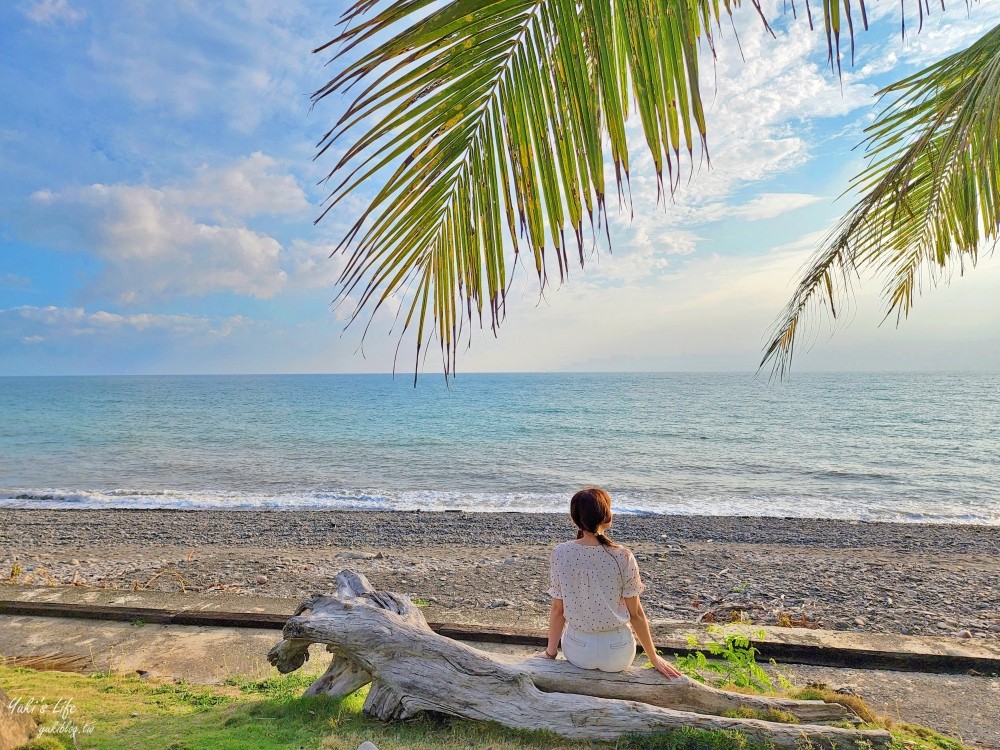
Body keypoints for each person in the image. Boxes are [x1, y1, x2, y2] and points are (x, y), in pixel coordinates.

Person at [534, 487, 683, 678]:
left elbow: (557, 609)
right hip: (617, 653)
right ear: (606, 517)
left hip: (578, 652)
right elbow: (636, 614)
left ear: (574, 520)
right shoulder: (623, 556)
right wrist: (654, 658)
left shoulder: (560, 553)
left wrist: (550, 653)